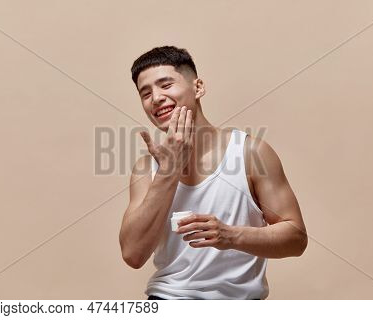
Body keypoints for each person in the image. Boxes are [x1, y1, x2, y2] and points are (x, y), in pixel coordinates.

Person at [119, 46, 308, 300]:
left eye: (166, 85)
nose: (156, 98)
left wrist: (231, 235)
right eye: (146, 93)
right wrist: (169, 170)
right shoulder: (146, 169)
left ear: (198, 88)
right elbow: (133, 254)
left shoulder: (250, 153)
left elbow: (296, 238)